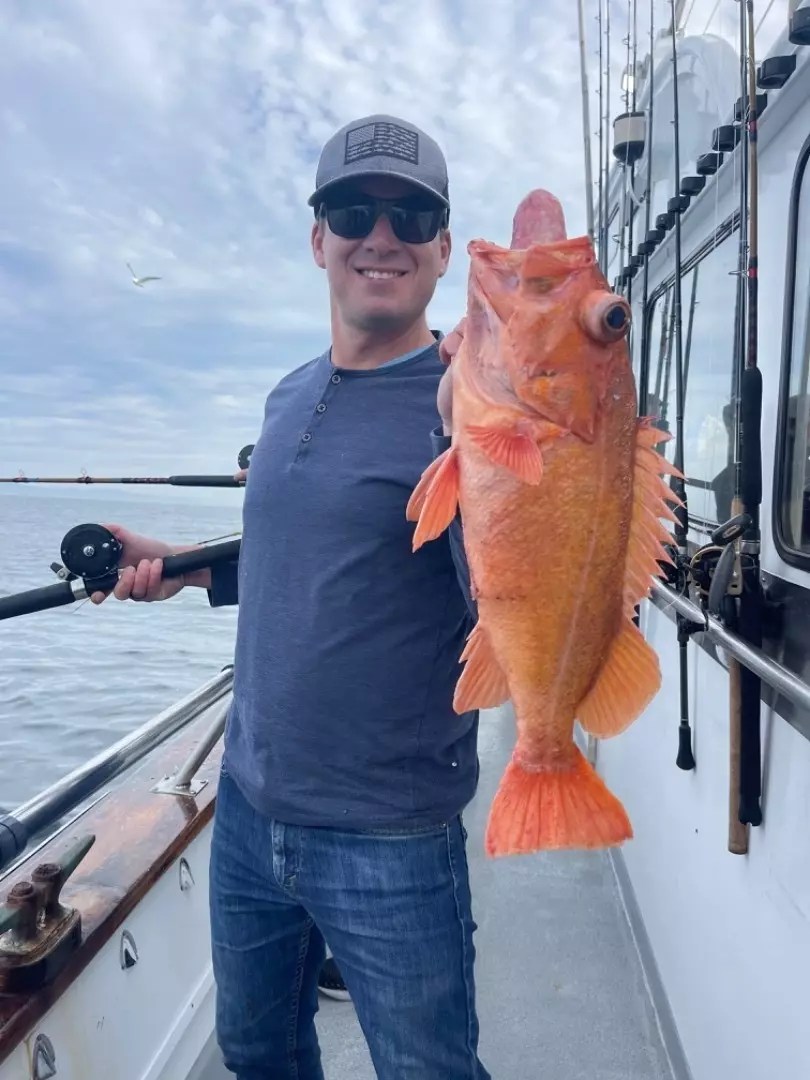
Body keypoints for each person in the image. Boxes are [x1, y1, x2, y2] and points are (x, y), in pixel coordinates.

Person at [93, 113, 490, 1080]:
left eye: (411, 216)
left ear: (443, 247)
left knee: (429, 1069)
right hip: (248, 803)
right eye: (353, 211)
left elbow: (502, 604)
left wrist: (468, 442)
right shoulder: (287, 395)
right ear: (319, 240)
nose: (380, 237)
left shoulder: (472, 400)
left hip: (389, 829)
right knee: (260, 1050)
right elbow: (293, 549)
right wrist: (178, 567)